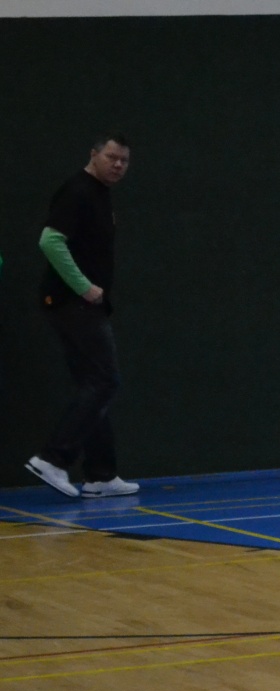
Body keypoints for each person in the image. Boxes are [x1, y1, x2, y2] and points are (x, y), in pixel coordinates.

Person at [25, 134, 141, 499]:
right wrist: (83, 287)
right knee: (105, 381)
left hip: (81, 305)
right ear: (94, 155)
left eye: (124, 160)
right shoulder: (77, 190)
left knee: (94, 385)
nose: (118, 164)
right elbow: (50, 240)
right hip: (72, 303)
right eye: (111, 157)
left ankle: (101, 475)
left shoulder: (100, 194)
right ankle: (52, 459)